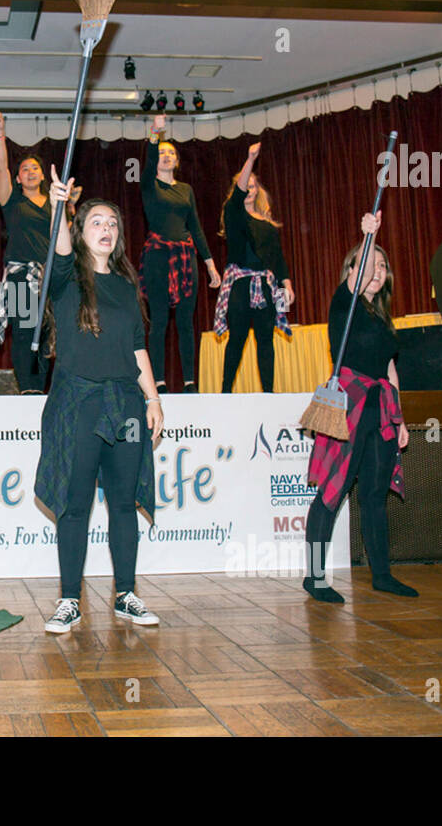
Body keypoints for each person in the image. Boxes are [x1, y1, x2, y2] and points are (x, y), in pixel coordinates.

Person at [34, 169, 163, 634]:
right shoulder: (67, 279)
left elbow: (136, 347)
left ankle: (126, 594)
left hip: (126, 402)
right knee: (75, 504)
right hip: (79, 402)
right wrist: (58, 207)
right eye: (96, 222)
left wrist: (153, 398)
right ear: (79, 232)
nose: (106, 229)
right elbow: (62, 251)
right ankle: (70, 599)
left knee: (124, 502)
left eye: (112, 223)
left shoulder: (128, 287)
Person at [303, 211, 417, 602]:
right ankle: (315, 577)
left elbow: (390, 371)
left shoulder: (383, 320)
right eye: (370, 263)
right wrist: (368, 236)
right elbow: (357, 277)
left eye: (383, 266)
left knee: (373, 494)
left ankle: (382, 574)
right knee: (333, 492)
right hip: (349, 406)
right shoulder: (343, 305)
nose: (378, 270)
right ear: (353, 269)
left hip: (381, 409)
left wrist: (400, 419)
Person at [0, 112, 80, 394]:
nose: (31, 172)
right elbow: (1, 168)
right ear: (18, 178)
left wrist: (70, 208)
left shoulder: (55, 203)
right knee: (23, 332)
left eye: (35, 169)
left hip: (50, 276)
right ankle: (27, 388)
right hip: (21, 274)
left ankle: (40, 390)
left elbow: (67, 237)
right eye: (25, 169)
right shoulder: (11, 201)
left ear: (43, 175)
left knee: (46, 334)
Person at [139, 116, 221, 393]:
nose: (166, 156)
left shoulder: (186, 190)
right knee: (159, 320)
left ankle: (189, 382)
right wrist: (155, 133)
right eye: (162, 152)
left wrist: (210, 266)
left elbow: (196, 227)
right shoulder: (149, 185)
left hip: (186, 259)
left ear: (177, 160)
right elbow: (149, 161)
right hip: (158, 257)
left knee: (186, 322)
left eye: (171, 153)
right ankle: (159, 382)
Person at [215, 141, 294, 392]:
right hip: (240, 286)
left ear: (259, 190)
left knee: (266, 342)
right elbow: (237, 197)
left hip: (267, 286)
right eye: (245, 185)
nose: (249, 190)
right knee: (236, 340)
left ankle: (268, 395)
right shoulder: (234, 215)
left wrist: (287, 286)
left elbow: (278, 259)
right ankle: (225, 393)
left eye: (253, 186)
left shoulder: (268, 224)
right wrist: (250, 159)